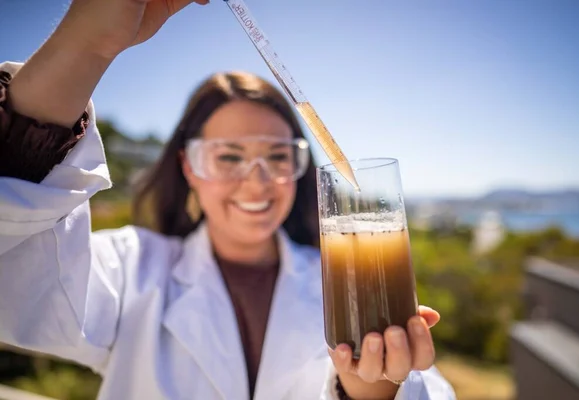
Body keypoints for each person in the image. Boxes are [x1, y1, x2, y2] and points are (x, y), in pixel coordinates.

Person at [0, 1, 456, 399]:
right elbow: (15, 280)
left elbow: (432, 391)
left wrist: (372, 393)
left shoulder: (349, 279)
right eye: (229, 156)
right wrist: (86, 45)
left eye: (278, 156)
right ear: (188, 167)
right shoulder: (129, 270)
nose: (257, 183)